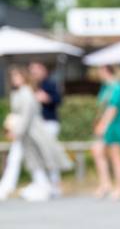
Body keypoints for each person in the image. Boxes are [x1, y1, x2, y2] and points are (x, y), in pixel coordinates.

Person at [0, 66, 71, 201]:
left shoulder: (26, 92)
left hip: (30, 132)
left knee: (38, 158)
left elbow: (27, 115)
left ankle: (47, 186)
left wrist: (17, 131)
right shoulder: (20, 92)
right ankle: (41, 185)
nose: (14, 79)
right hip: (25, 132)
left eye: (17, 76)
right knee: (27, 160)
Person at [92, 64, 120, 200]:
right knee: (97, 151)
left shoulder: (118, 87)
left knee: (115, 155)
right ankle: (105, 184)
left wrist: (103, 125)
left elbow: (113, 108)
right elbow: (101, 106)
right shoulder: (105, 87)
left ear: (106, 70)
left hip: (114, 125)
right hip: (104, 123)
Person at [28, 61, 64, 196]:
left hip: (49, 122)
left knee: (49, 154)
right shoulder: (30, 86)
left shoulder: (50, 84)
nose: (34, 74)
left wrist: (46, 98)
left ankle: (55, 184)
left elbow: (58, 100)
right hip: (35, 124)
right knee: (37, 155)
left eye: (36, 70)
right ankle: (41, 184)